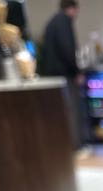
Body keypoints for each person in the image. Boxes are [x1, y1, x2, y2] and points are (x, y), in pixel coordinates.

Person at [40, 0, 84, 149]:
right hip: (65, 75)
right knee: (72, 111)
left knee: (61, 113)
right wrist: (76, 71)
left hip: (53, 76)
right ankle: (75, 146)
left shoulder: (52, 22)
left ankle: (64, 147)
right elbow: (67, 49)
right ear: (72, 9)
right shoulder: (64, 22)